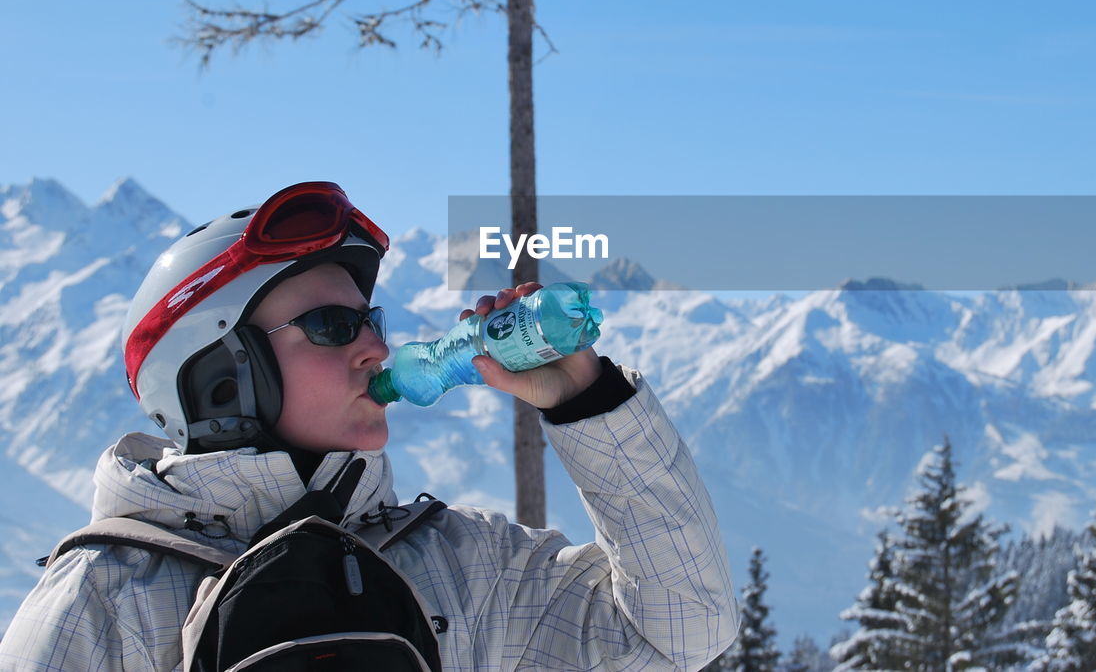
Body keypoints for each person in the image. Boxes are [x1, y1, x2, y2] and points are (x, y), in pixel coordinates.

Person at [0, 181, 738, 671]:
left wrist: (586, 399)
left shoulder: (457, 565)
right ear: (223, 370)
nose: (377, 347)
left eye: (370, 319)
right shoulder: (105, 601)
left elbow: (681, 630)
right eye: (333, 324)